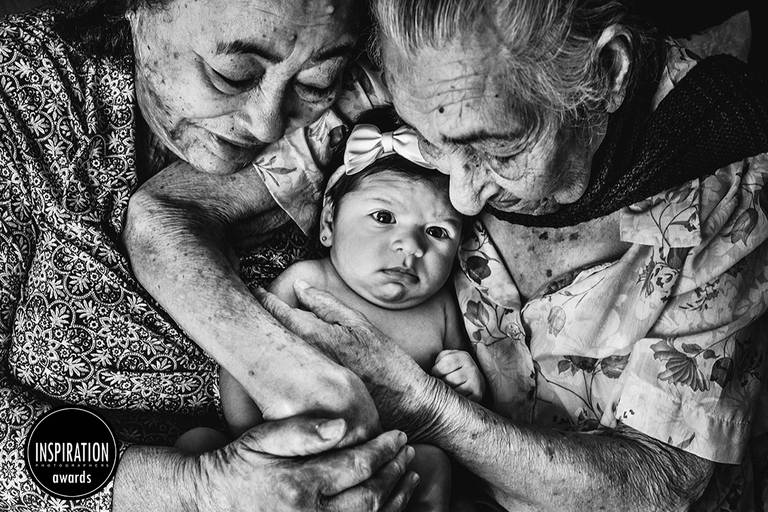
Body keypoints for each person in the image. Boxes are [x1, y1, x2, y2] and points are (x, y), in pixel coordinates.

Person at [125, 0, 768, 510]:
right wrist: (283, 372)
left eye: (498, 148)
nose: (459, 196)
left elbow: (657, 490)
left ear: (608, 73)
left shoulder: (723, 191)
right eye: (431, 141)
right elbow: (164, 216)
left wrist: (423, 404)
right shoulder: (407, 69)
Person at [0, 1, 423, 511]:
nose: (267, 124)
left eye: (315, 82)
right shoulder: (24, 85)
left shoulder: (364, 119)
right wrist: (196, 490)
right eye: (231, 74)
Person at [194, 117, 486, 511]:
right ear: (329, 222)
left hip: (387, 463)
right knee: (198, 446)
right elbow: (244, 358)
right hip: (289, 449)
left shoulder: (444, 309)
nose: (411, 245)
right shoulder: (308, 282)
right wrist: (250, 434)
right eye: (384, 217)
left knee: (434, 466)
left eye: (437, 232)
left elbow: (460, 401)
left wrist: (466, 379)